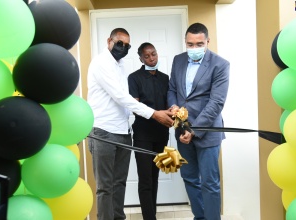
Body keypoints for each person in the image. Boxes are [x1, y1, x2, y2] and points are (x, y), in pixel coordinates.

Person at [87, 28, 173, 220]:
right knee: (105, 187)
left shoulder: (121, 66)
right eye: (119, 44)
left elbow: (126, 100)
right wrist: (154, 114)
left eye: (127, 45)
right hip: (103, 131)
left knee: (119, 183)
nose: (123, 48)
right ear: (109, 41)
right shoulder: (101, 63)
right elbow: (120, 97)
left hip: (123, 131)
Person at [168, 23, 230, 220]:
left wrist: (194, 130)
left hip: (207, 132)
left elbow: (216, 102)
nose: (194, 48)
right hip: (181, 131)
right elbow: (172, 89)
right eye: (190, 44)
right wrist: (173, 106)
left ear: (207, 42)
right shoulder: (178, 60)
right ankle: (200, 217)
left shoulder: (220, 65)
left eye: (199, 44)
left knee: (209, 183)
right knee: (189, 178)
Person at [128, 42, 169, 220]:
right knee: (145, 180)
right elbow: (135, 107)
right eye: (147, 56)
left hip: (161, 135)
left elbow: (170, 104)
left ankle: (152, 215)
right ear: (140, 59)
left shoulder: (165, 78)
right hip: (142, 136)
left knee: (155, 176)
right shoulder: (134, 78)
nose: (151, 58)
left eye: (153, 54)